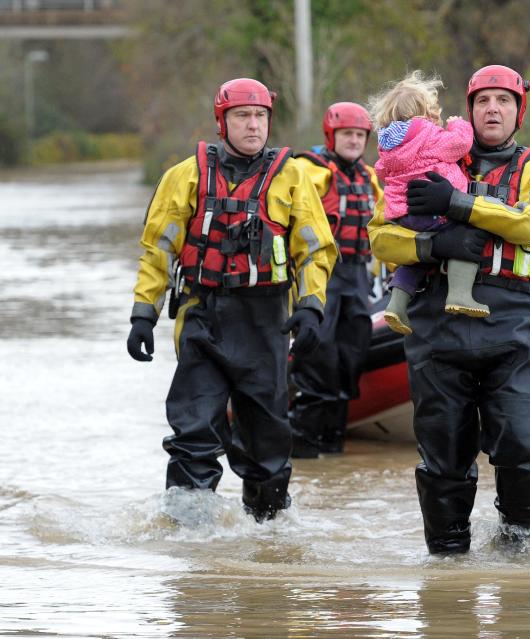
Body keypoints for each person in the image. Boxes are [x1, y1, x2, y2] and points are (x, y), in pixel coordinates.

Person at [367, 64, 530, 555]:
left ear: (519, 111)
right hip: (437, 325)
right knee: (443, 458)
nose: (492, 109)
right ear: (468, 109)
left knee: (523, 446)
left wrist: (459, 204)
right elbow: (381, 236)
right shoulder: (419, 153)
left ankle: (517, 544)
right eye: (482, 101)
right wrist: (433, 249)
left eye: (503, 101)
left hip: (511, 321)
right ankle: (448, 562)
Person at [126, 78, 337, 522]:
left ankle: (268, 535)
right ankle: (190, 540)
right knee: (193, 431)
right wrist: (144, 313)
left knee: (268, 443)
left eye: (260, 116)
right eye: (243, 116)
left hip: (267, 322)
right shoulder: (184, 176)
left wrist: (311, 306)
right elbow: (158, 249)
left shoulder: (293, 176)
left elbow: (316, 249)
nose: (253, 125)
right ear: (222, 122)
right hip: (204, 317)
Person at [288, 102, 384, 456]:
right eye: (347, 134)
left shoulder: (369, 177)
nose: (354, 141)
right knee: (319, 357)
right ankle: (303, 446)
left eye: (360, 135)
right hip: (322, 276)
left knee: (350, 359)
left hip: (357, 277)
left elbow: (385, 221)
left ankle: (334, 447)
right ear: (332, 136)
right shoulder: (310, 171)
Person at [369, 70, 479, 335]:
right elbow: (461, 144)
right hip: (436, 210)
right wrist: (457, 124)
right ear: (424, 112)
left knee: (414, 260)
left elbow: (381, 171)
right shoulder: (428, 135)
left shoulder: (388, 146)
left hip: (404, 215)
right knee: (464, 238)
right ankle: (460, 295)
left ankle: (396, 305)